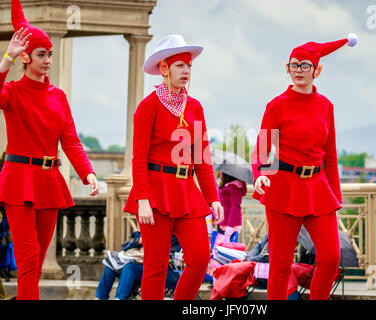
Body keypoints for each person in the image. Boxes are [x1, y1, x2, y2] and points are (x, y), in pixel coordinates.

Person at [0, 0, 99, 300]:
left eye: (50, 55)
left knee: (36, 264)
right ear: (25, 58)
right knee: (28, 261)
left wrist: (88, 173)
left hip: (48, 183)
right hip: (18, 181)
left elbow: (70, 140)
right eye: (41, 54)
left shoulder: (58, 97)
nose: (47, 60)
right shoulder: (13, 92)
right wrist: (6, 58)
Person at [251, 33, 358, 300]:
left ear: (317, 70)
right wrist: (259, 175)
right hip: (283, 188)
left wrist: (335, 196)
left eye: (305, 65)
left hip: (318, 189)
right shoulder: (276, 106)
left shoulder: (326, 106)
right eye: (293, 65)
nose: (298, 70)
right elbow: (261, 150)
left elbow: (330, 156)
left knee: (332, 257)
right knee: (280, 265)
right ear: (287, 69)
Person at [123, 34, 224, 300]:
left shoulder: (195, 107)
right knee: (155, 267)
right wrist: (142, 198)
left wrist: (213, 197)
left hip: (187, 192)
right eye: (180, 65)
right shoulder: (148, 107)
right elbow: (138, 158)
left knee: (200, 260)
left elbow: (202, 157)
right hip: (155, 193)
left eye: (189, 65)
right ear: (165, 68)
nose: (187, 71)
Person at [217, 171, 247, 236]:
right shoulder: (226, 185)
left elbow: (235, 207)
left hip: (229, 224)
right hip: (223, 222)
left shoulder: (234, 188)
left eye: (221, 171)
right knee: (220, 245)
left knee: (226, 245)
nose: (219, 172)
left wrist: (230, 226)